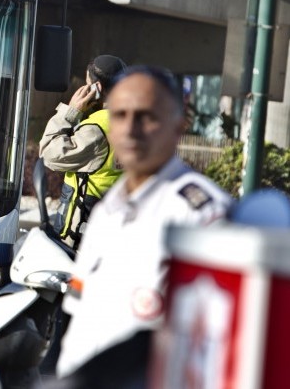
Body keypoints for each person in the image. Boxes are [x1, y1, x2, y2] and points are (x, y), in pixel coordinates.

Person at [54, 66, 233, 388]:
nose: (130, 129)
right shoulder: (107, 211)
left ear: (179, 126)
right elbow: (80, 323)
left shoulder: (202, 214)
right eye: (120, 115)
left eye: (146, 116)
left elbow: (219, 346)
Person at [39, 54, 127, 246]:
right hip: (115, 233)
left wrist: (71, 112)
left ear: (98, 88)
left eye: (87, 84)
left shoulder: (97, 129)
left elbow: (48, 153)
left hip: (81, 240)